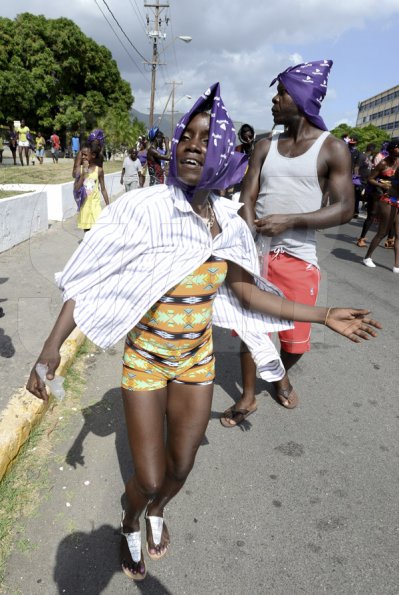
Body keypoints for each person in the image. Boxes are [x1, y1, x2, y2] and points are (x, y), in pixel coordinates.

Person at [26, 84, 380, 582]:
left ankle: (156, 511)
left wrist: (321, 315)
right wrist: (50, 349)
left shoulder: (230, 222)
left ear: (221, 152)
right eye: (186, 136)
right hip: (146, 359)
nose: (193, 145)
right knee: (147, 476)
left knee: (179, 471)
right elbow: (89, 277)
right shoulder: (143, 208)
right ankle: (131, 518)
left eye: (205, 138)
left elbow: (249, 293)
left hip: (197, 361)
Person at [220, 59, 355, 426]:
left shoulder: (332, 149)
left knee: (295, 340)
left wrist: (292, 220)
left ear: (301, 98)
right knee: (251, 331)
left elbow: (345, 208)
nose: (274, 101)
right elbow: (247, 194)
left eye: (281, 93)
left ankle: (279, 372)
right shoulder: (265, 146)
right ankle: (248, 398)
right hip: (256, 256)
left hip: (298, 257)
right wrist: (248, 232)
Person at [362, 140, 399, 270]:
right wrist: (381, 184)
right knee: (382, 232)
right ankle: (367, 257)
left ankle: (396, 265)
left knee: (397, 234)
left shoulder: (398, 162)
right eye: (396, 151)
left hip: (397, 200)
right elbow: (370, 178)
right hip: (387, 199)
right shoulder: (383, 163)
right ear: (391, 151)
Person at [73, 141, 109, 232]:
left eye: (85, 155)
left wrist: (108, 205)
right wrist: (84, 172)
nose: (83, 157)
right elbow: (77, 188)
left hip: (95, 205)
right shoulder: (79, 169)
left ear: (92, 155)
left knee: (98, 230)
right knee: (87, 232)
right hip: (84, 206)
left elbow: (103, 189)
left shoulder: (99, 170)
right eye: (82, 155)